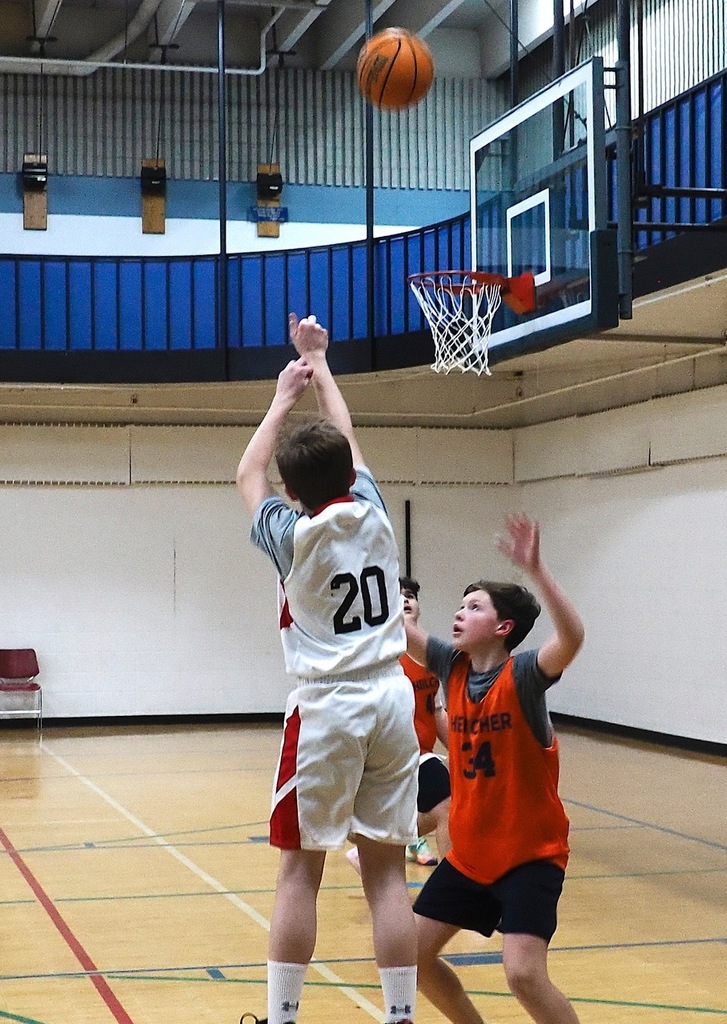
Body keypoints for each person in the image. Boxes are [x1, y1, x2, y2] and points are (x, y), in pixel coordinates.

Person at [236, 313, 419, 1024]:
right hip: (392, 701)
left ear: (293, 489)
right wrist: (321, 363)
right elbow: (347, 436)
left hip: (328, 710)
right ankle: (399, 1017)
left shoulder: (290, 534)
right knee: (387, 877)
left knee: (299, 872)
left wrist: (283, 393)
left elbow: (247, 471)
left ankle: (282, 1020)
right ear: (349, 473)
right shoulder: (374, 511)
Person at [404, 514, 585, 1024]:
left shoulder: (523, 675)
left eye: (474, 607)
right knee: (410, 956)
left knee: (523, 975)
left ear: (503, 627)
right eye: (460, 605)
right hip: (471, 853)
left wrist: (538, 570)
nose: (459, 613)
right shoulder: (451, 667)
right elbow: (404, 632)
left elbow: (571, 638)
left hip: (531, 854)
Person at [346, 575, 451, 874]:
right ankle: (451, 889)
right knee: (449, 807)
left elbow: (437, 710)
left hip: (423, 753)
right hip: (394, 755)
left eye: (411, 595)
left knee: (442, 811)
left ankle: (368, 852)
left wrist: (460, 748)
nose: (406, 600)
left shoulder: (431, 654)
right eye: (398, 595)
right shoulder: (382, 652)